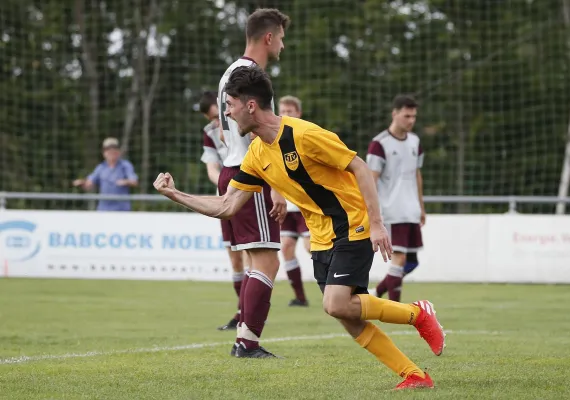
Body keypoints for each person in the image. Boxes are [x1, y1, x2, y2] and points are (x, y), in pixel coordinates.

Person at [153, 66, 445, 389]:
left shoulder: (303, 134)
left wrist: (377, 224)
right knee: (347, 315)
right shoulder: (256, 154)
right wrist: (174, 194)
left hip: (351, 222)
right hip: (321, 236)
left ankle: (418, 314)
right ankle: (414, 375)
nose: (226, 112)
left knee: (334, 303)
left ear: (250, 106)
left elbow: (359, 167)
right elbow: (226, 206)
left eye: (230, 104)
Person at [214, 8, 291, 358]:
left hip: (231, 170)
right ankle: (247, 342)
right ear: (269, 37)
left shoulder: (229, 72)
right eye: (282, 39)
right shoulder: (253, 76)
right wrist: (276, 185)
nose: (283, 47)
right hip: (252, 173)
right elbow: (264, 135)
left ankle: (243, 338)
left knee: (252, 261)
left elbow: (221, 127)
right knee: (267, 262)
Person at [198, 90, 250, 330]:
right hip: (226, 196)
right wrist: (225, 186)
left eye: (216, 116)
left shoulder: (243, 123)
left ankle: (250, 310)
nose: (215, 122)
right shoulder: (210, 133)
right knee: (234, 256)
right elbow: (211, 168)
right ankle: (241, 310)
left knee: (251, 252)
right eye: (210, 118)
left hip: (248, 191)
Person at [366, 95, 426, 302]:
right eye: (407, 115)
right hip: (391, 211)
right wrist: (372, 212)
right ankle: (395, 308)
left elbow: (417, 174)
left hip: (411, 210)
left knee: (411, 262)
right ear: (395, 114)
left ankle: (376, 293)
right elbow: (369, 180)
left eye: (414, 116)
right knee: (399, 259)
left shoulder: (415, 141)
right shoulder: (379, 144)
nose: (411, 120)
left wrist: (421, 206)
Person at [277, 95, 309, 307]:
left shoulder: (305, 135)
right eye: (283, 111)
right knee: (286, 247)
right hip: (286, 205)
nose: (286, 115)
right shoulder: (274, 138)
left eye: (290, 111)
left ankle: (339, 287)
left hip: (306, 204)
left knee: (313, 247)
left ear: (298, 114)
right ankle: (300, 297)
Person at [73, 137, 138, 211]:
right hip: (104, 210)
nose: (112, 151)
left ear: (118, 151)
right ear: (104, 153)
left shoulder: (125, 165)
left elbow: (134, 182)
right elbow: (89, 185)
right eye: (108, 149)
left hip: (122, 210)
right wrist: (82, 183)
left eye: (114, 148)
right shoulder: (100, 167)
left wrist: (125, 182)